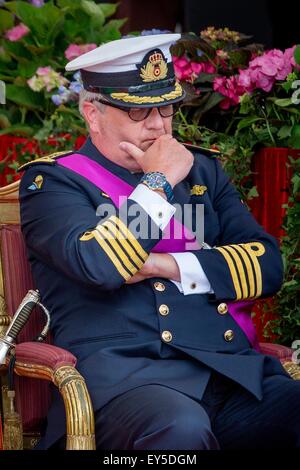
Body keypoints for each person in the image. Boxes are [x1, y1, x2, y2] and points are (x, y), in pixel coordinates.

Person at [19, 33, 300, 450]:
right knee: (181, 430)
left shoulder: (203, 172)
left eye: (166, 105)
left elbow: (267, 265)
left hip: (225, 370)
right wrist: (159, 180)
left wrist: (168, 265)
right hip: (126, 384)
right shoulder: (54, 183)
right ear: (92, 114)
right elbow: (100, 264)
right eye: (139, 111)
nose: (159, 124)